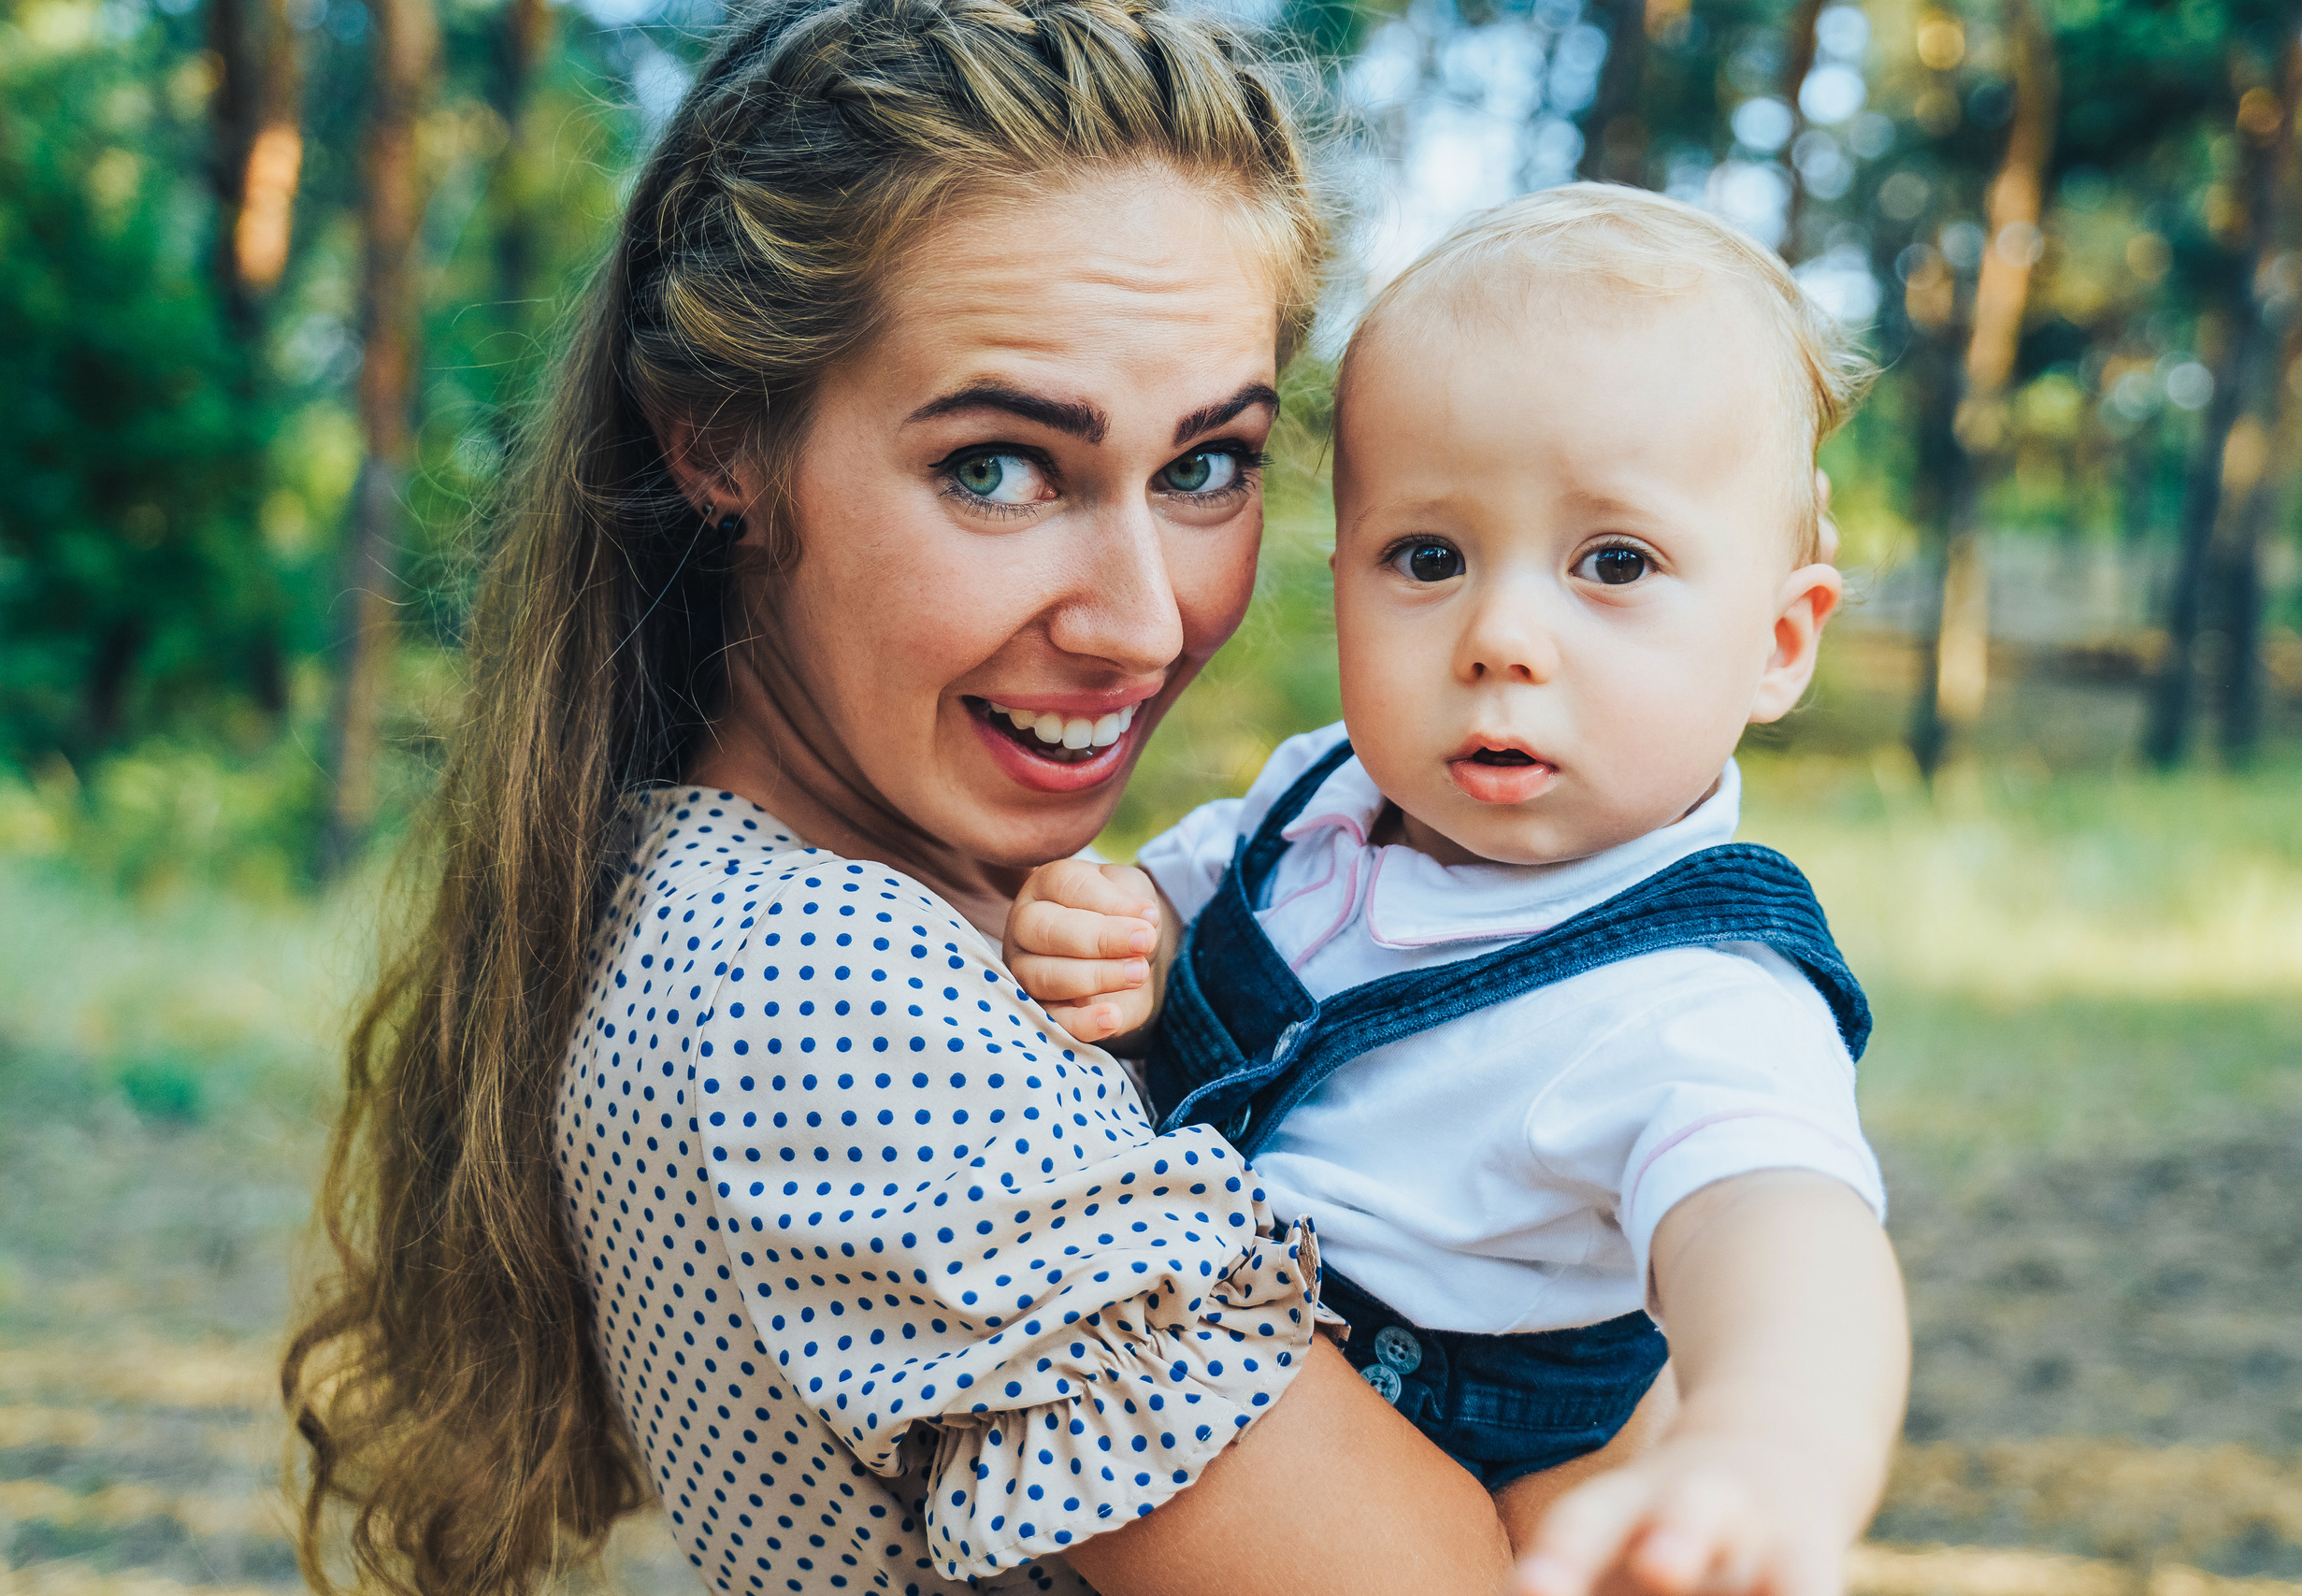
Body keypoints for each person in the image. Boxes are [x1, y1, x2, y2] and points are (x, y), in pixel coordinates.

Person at [282, 3, 1549, 1594]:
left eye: (1206, 465)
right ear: (722, 446)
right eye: (1000, 468)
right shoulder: (820, 995)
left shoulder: (784, 900)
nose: (1144, 623)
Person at [1000, 183, 1912, 1596]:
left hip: (1448, 1478)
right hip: (1211, 1417)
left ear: (1781, 641)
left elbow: (1785, 1238)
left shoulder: (1693, 1000)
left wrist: (1759, 1448)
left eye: (1615, 562)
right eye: (1429, 557)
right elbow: (1176, 916)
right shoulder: (1321, 798)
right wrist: (1128, 934)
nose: (1500, 636)